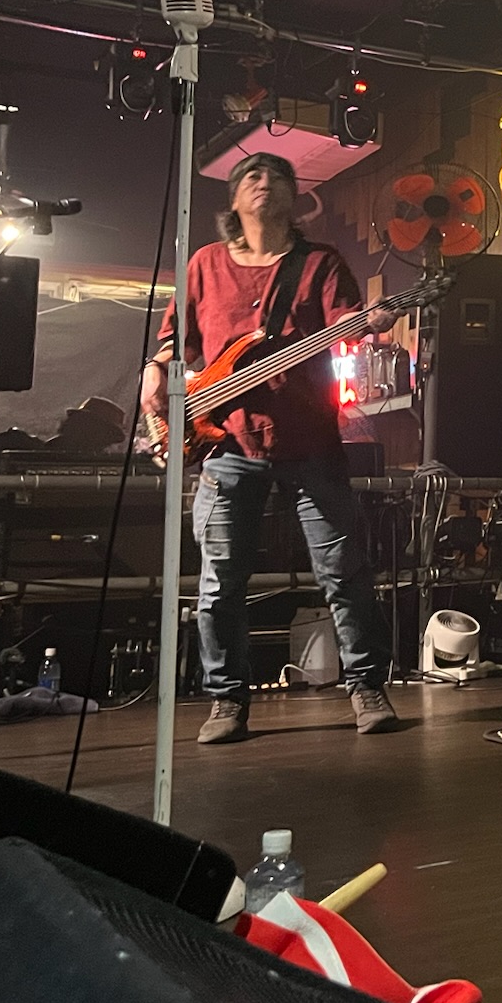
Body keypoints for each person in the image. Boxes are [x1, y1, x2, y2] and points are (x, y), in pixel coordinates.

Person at [140, 151, 402, 745]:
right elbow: (174, 341)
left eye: (277, 176)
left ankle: (366, 688)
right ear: (233, 200)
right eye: (251, 176)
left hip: (310, 441)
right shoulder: (205, 264)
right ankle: (226, 701)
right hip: (226, 443)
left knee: (344, 573)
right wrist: (154, 370)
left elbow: (348, 321)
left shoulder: (321, 264)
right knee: (219, 584)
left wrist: (373, 319)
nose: (264, 183)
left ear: (294, 197)